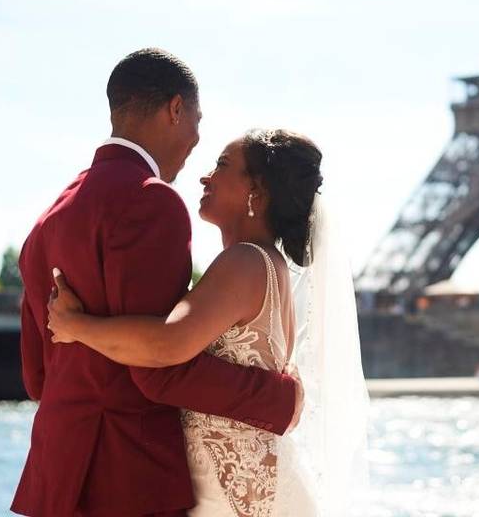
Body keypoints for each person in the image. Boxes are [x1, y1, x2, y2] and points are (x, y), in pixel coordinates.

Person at [11, 49, 300, 517]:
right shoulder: (153, 202)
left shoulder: (49, 219)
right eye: (197, 121)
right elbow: (159, 367)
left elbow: (35, 377)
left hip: (55, 473)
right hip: (129, 477)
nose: (196, 142)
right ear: (175, 109)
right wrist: (279, 398)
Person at [47, 129, 370, 516]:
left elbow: (167, 346)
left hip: (238, 499)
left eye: (223, 165)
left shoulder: (245, 262)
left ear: (258, 192)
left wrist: (75, 326)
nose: (206, 176)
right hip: (248, 488)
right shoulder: (267, 264)